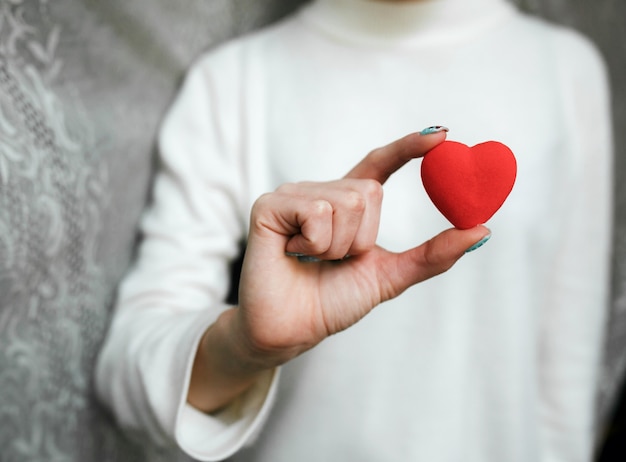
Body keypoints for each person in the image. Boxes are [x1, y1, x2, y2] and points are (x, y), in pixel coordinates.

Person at [95, 0, 613, 460]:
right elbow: (125, 377)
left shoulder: (566, 70)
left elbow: (565, 381)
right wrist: (247, 346)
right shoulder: (236, 80)